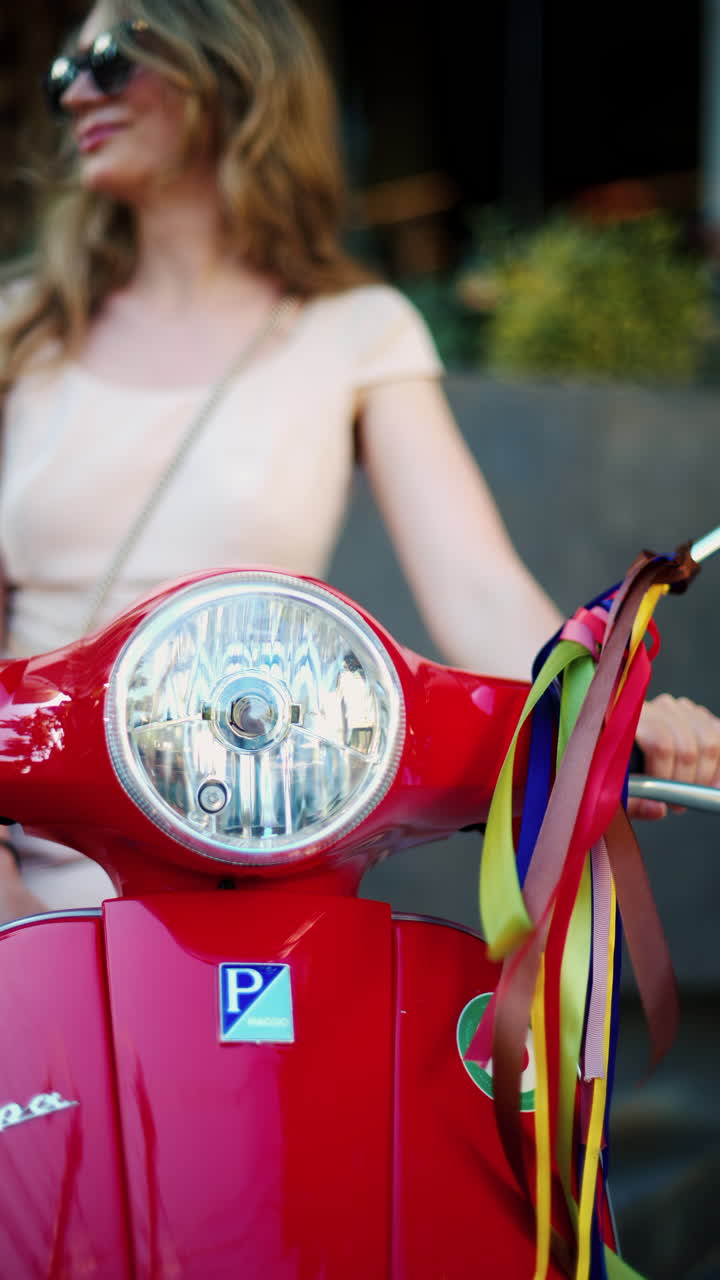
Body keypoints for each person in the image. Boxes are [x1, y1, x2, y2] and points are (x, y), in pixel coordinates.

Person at [0, 0, 718, 925]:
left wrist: (603, 714)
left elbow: (476, 586)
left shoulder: (355, 331)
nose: (76, 94)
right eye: (66, 73)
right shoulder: (19, 327)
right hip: (27, 883)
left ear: (230, 72)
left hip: (254, 870)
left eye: (111, 57)